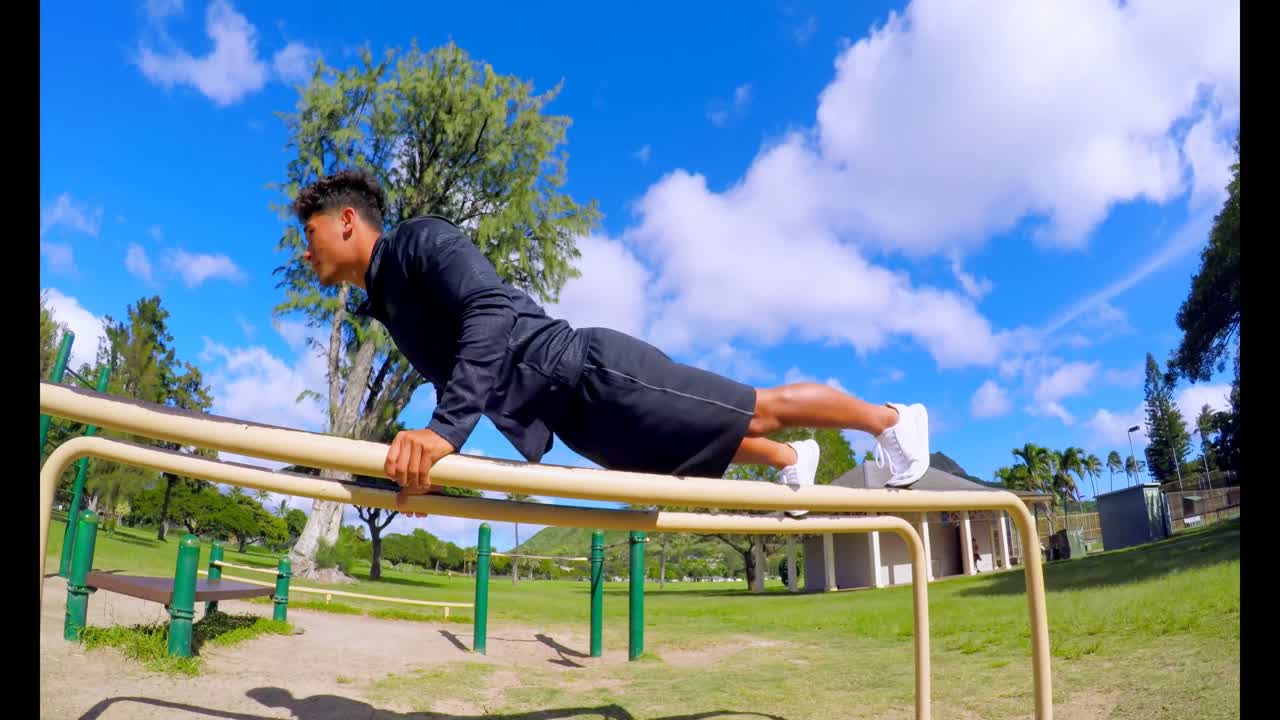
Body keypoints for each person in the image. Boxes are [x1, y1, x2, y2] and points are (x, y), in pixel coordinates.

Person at [293, 169, 931, 515]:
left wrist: (444, 432)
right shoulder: (393, 304)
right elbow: (457, 373)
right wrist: (428, 469)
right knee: (679, 458)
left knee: (757, 407)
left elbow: (489, 311)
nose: (306, 249)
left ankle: (890, 420)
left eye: (311, 232)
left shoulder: (418, 242)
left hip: (589, 373)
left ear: (348, 221)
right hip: (569, 417)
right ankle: (792, 463)